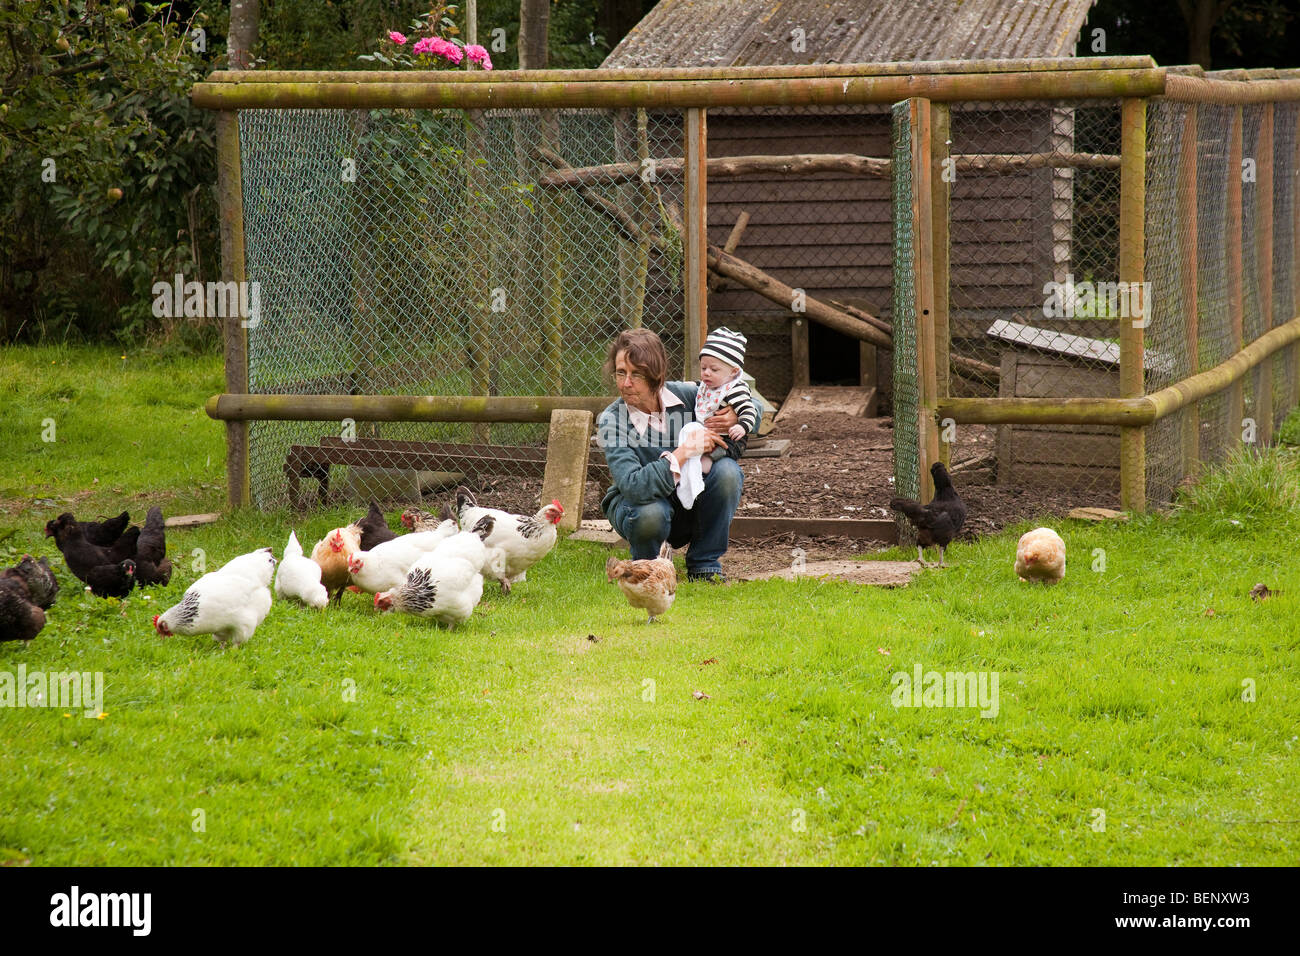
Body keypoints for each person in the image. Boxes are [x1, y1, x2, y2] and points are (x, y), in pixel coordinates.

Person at [597, 328, 744, 582]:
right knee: (651, 512)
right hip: (638, 506)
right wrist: (685, 451)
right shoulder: (613, 419)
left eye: (637, 374)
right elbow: (633, 486)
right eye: (621, 373)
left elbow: (752, 402)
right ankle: (647, 564)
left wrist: (735, 413)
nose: (626, 383)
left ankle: (704, 565)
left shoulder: (688, 396)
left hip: (685, 502)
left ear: (657, 375)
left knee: (728, 473)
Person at [676, 327, 758, 510]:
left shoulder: (735, 389)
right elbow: (704, 390)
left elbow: (748, 409)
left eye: (713, 369)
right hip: (708, 434)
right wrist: (694, 385)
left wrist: (742, 426)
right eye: (703, 367)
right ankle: (691, 475)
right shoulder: (711, 383)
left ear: (734, 371)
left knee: (715, 455)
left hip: (730, 438)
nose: (706, 373)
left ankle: (704, 466)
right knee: (688, 430)